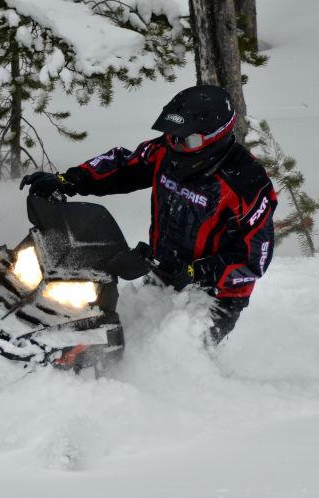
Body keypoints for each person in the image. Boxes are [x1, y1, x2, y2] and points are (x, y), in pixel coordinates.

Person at [20, 85, 277, 345]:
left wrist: (198, 271)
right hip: (163, 269)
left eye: (186, 139)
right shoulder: (167, 151)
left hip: (214, 294)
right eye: (173, 135)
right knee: (127, 338)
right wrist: (68, 180)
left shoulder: (247, 185)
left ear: (214, 137)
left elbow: (254, 262)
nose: (175, 143)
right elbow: (123, 166)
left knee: (173, 352)